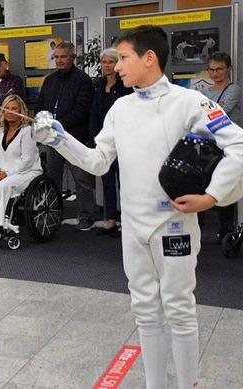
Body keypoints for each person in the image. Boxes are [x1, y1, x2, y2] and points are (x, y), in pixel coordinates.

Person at [31, 25, 243, 389]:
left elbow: (238, 146)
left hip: (173, 224)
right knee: (145, 311)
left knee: (177, 308)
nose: (117, 66)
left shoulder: (190, 101)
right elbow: (98, 161)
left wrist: (213, 197)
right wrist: (61, 139)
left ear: (149, 58)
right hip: (134, 226)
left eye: (124, 58)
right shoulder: (120, 109)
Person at [34, 41, 95, 231]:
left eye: (63, 57)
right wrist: (44, 123)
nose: (59, 60)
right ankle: (55, 212)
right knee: (53, 178)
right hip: (52, 138)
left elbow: (81, 111)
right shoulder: (50, 80)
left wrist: (56, 125)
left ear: (72, 57)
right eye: (57, 57)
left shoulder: (83, 80)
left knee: (81, 179)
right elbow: (41, 104)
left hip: (74, 137)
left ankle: (86, 216)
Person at [0, 95, 42, 238]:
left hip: (27, 173)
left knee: (4, 185)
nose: (10, 112)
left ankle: (1, 225)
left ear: (21, 111)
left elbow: (27, 161)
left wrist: (7, 174)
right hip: (3, 173)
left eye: (14, 109)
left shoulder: (27, 132)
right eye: (7, 109)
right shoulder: (0, 132)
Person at [199, 51, 242, 243]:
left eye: (219, 69)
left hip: (228, 147)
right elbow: (201, 114)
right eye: (211, 70)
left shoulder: (234, 90)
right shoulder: (204, 92)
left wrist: (210, 108)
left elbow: (220, 113)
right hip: (209, 146)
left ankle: (226, 230)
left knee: (225, 187)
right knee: (201, 186)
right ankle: (197, 231)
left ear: (229, 69)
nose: (215, 74)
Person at [89, 48, 133, 237]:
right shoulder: (99, 85)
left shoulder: (125, 86)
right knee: (106, 181)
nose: (106, 66)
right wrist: (94, 136)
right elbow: (94, 113)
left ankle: (127, 222)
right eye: (104, 62)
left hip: (123, 140)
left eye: (110, 62)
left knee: (124, 182)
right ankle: (110, 220)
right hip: (104, 140)